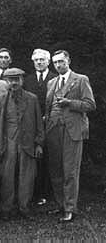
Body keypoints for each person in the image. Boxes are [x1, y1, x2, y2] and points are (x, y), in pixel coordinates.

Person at [45, 50, 95, 222]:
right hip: (53, 130)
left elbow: (90, 105)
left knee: (70, 171)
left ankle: (70, 208)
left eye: (61, 62)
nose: (58, 65)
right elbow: (48, 106)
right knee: (56, 170)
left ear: (68, 61)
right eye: (55, 62)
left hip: (72, 131)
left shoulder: (81, 79)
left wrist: (70, 103)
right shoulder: (51, 82)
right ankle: (60, 205)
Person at [0, 68, 44, 220]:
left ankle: (24, 207)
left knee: (27, 176)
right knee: (7, 176)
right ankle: (7, 208)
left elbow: (39, 122)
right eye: (10, 79)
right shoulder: (0, 100)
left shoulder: (32, 98)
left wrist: (39, 143)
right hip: (8, 143)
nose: (14, 82)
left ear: (22, 80)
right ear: (6, 81)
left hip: (28, 143)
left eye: (17, 79)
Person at [23, 48, 57, 206]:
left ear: (48, 61)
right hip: (32, 125)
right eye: (36, 60)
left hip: (51, 124)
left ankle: (48, 193)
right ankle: (36, 193)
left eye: (42, 60)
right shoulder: (28, 80)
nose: (39, 62)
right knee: (35, 159)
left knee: (50, 158)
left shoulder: (55, 78)